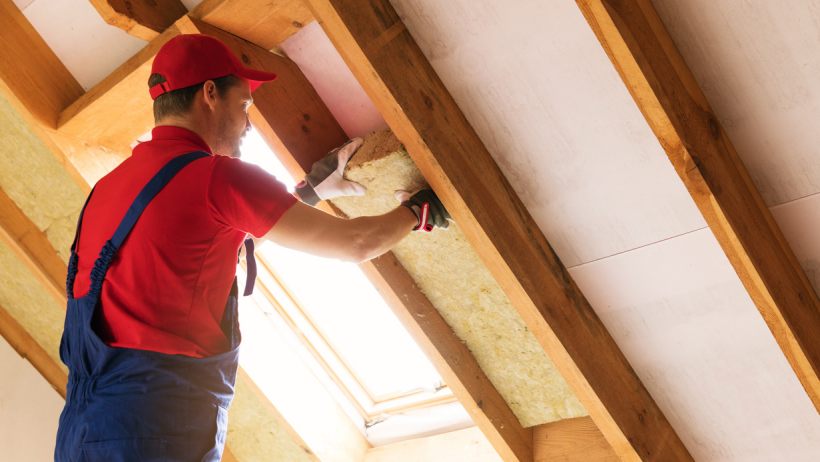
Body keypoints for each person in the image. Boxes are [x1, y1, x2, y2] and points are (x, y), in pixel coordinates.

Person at [54, 33, 449, 462]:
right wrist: (419, 210)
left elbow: (210, 239)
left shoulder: (109, 187)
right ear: (209, 94)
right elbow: (356, 242)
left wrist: (310, 192)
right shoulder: (217, 177)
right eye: (243, 106)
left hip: (81, 432)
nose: (246, 124)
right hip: (156, 431)